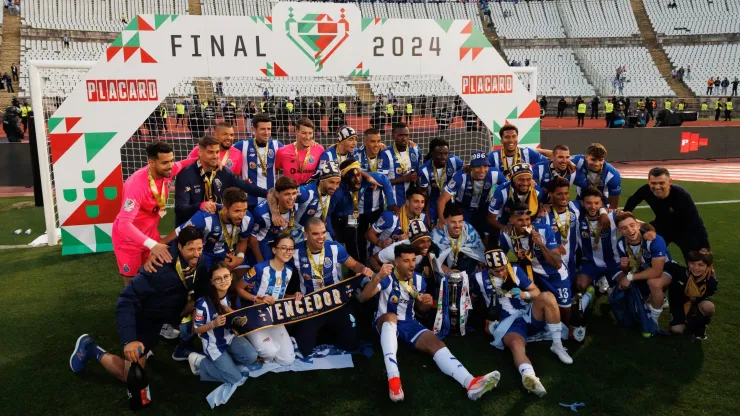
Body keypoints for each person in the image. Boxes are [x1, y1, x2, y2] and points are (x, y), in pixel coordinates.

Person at [359, 244, 501, 402]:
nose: (412, 264)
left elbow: (420, 310)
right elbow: (364, 297)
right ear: (396, 262)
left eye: (413, 260)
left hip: (409, 323)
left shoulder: (419, 280)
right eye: (406, 261)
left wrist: (425, 304)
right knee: (391, 316)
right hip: (384, 321)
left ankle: (470, 383)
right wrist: (378, 277)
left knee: (435, 342)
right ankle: (394, 378)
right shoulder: (387, 277)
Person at [70, 227, 206, 381]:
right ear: (180, 247)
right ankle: (89, 347)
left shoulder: (201, 261)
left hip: (160, 318)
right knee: (130, 377)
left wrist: (193, 302)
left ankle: (146, 350)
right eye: (191, 249)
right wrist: (129, 340)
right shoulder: (158, 267)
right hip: (143, 320)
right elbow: (126, 300)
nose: (196, 254)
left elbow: (201, 282)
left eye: (199, 248)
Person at [472, 249, 573, 398]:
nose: (501, 273)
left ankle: (557, 345)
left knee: (547, 296)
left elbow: (536, 292)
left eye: (502, 269)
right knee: (516, 345)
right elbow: (473, 299)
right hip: (506, 322)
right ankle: (529, 376)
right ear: (488, 268)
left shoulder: (514, 270)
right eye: (496, 271)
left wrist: (525, 294)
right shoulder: (478, 277)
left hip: (526, 312)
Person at [111, 141, 196, 285]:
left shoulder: (166, 170)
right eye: (165, 162)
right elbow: (124, 224)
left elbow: (183, 163)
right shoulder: (136, 185)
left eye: (171, 160)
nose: (170, 166)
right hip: (129, 241)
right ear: (152, 162)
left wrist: (207, 159)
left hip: (151, 235)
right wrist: (153, 245)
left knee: (154, 277)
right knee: (133, 283)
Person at [289, 218, 374, 357]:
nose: (321, 237)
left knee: (352, 344)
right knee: (304, 349)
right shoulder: (295, 252)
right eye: (315, 234)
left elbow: (353, 264)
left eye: (323, 232)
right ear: (305, 235)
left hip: (336, 301)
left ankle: (334, 330)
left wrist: (364, 269)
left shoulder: (335, 248)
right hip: (311, 304)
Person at [187, 262, 259, 383]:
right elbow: (196, 329)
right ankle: (200, 361)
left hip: (230, 337)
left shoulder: (232, 295)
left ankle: (226, 363)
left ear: (231, 276)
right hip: (214, 344)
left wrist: (234, 315)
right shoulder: (203, 304)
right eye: (218, 279)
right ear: (212, 282)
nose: (223, 281)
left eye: (226, 276)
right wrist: (213, 324)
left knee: (251, 357)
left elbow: (237, 319)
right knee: (236, 379)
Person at [499, 203, 571, 323]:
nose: (525, 223)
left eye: (527, 219)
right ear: (511, 220)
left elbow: (557, 263)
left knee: (565, 316)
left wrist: (541, 245)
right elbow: (500, 259)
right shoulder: (506, 235)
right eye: (520, 220)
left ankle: (585, 298)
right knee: (537, 308)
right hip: (531, 275)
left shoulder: (544, 230)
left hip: (554, 275)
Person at [174, 136, 267, 226]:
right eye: (210, 152)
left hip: (214, 226)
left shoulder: (222, 171)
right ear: (200, 152)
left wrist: (267, 193)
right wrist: (200, 206)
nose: (215, 156)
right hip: (190, 228)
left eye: (217, 152)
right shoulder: (186, 175)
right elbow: (180, 208)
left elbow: (245, 186)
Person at [623, 167, 709, 262]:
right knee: (647, 252)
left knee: (696, 261)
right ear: (649, 182)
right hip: (662, 224)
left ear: (670, 182)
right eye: (653, 183)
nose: (657, 187)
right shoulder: (645, 190)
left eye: (661, 183)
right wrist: (627, 220)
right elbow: (630, 204)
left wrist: (705, 246)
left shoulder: (681, 195)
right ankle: (649, 271)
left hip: (685, 230)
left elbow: (696, 222)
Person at [236, 234, 297, 365]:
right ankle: (248, 335)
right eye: (284, 248)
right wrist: (256, 298)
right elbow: (239, 289)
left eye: (291, 249)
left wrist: (294, 297)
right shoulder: (259, 268)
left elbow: (279, 296)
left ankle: (275, 341)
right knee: (269, 353)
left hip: (274, 315)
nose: (288, 252)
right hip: (254, 314)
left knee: (288, 360)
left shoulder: (289, 271)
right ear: (274, 250)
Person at [161, 187, 252, 271]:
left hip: (227, 252)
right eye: (237, 211)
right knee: (204, 281)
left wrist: (239, 258)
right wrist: (157, 247)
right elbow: (178, 233)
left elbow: (243, 240)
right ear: (225, 209)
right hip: (204, 253)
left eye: (244, 210)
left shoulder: (247, 218)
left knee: (243, 280)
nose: (241, 215)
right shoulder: (205, 217)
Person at [571, 188, 620, 341]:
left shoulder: (612, 216)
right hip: (590, 262)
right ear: (582, 203)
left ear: (601, 204)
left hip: (613, 263)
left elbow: (634, 223)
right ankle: (591, 292)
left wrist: (648, 230)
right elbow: (566, 204)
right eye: (588, 203)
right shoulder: (576, 218)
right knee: (579, 285)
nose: (592, 207)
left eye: (596, 203)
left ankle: (606, 285)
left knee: (622, 292)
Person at [614, 211, 671, 332]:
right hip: (642, 270)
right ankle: (650, 298)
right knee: (620, 279)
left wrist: (629, 277)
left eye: (632, 225)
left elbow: (657, 271)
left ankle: (653, 322)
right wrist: (624, 266)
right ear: (620, 231)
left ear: (638, 225)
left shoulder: (654, 240)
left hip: (666, 269)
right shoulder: (620, 244)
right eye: (624, 228)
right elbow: (628, 269)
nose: (629, 230)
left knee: (654, 284)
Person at [331, 158, 395, 265]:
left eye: (359, 175)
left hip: (352, 216)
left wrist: (391, 204)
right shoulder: (337, 190)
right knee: (336, 245)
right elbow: (327, 212)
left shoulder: (364, 180)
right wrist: (330, 230)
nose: (357, 179)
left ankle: (359, 270)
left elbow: (383, 179)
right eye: (353, 176)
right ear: (345, 178)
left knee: (353, 241)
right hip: (336, 218)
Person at [439, 151, 505, 240]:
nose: (482, 170)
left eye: (485, 166)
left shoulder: (495, 174)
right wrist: (441, 219)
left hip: (483, 208)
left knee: (487, 236)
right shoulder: (461, 176)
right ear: (471, 167)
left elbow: (508, 187)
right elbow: (442, 199)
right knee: (463, 236)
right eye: (478, 166)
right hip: (463, 209)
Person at [355, 128, 392, 264]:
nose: (376, 144)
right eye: (372, 141)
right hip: (358, 209)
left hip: (378, 206)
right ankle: (361, 269)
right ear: (364, 142)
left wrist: (412, 143)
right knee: (358, 239)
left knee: (380, 236)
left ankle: (378, 262)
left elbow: (383, 179)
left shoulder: (384, 155)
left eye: (378, 141)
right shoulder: (356, 155)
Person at [664, 249, 717, 340]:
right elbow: (665, 265)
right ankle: (686, 319)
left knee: (708, 307)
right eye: (692, 263)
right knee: (677, 330)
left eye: (701, 265)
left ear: (708, 267)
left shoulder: (711, 282)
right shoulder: (680, 272)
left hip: (696, 302)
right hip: (679, 304)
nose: (696, 268)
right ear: (688, 263)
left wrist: (693, 301)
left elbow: (707, 294)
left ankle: (700, 326)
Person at [233, 114, 283, 209]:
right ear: (254, 129)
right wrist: (239, 180)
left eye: (269, 129)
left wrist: (311, 144)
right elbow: (224, 152)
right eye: (263, 129)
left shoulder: (277, 145)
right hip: (248, 199)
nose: (266, 132)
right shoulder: (242, 146)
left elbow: (293, 150)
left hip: (270, 198)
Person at [488, 163, 545, 241]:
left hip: (525, 223)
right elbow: (491, 218)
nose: (525, 183)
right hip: (503, 223)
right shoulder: (501, 191)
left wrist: (529, 229)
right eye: (521, 180)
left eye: (528, 179)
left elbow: (537, 214)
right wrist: (503, 227)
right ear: (513, 179)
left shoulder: (537, 192)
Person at [249, 176, 300, 262]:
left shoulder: (296, 204)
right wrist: (260, 261)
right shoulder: (262, 213)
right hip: (265, 242)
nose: (292, 198)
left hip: (283, 239)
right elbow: (252, 238)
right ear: (277, 194)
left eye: (294, 193)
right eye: (287, 194)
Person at [366, 186, 426, 256]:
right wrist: (381, 243)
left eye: (422, 202)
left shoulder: (422, 217)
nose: (420, 205)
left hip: (402, 258)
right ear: (407, 202)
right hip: (378, 257)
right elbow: (368, 234)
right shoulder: (391, 217)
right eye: (416, 201)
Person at [418, 138, 464, 227]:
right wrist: (427, 215)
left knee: (452, 226)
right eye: (439, 154)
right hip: (432, 202)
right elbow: (424, 195)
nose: (443, 157)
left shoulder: (454, 161)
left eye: (446, 154)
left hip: (449, 200)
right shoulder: (424, 170)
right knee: (431, 227)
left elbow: (465, 171)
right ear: (432, 153)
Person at [431, 203, 485, 277]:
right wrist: (449, 273)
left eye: (460, 221)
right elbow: (432, 260)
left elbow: (479, 252)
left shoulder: (469, 230)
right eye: (453, 222)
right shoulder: (437, 234)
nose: (457, 226)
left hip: (466, 268)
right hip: (444, 272)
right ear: (445, 221)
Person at [381, 122, 421, 206]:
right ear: (393, 136)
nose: (404, 138)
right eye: (400, 135)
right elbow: (381, 182)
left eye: (406, 135)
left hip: (411, 204)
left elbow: (417, 173)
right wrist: (404, 179)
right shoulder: (386, 154)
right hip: (393, 203)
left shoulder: (415, 151)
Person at [275, 117, 325, 184]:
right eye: (304, 133)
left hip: (311, 193)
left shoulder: (319, 149)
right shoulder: (282, 152)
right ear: (297, 132)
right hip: (290, 193)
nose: (307, 137)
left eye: (310, 133)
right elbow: (273, 172)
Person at [572, 143, 622, 208]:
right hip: (581, 198)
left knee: (604, 218)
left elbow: (614, 204)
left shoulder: (612, 175)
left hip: (601, 202)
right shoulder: (578, 161)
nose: (597, 164)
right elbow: (558, 159)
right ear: (586, 157)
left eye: (600, 160)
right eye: (593, 159)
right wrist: (569, 163)